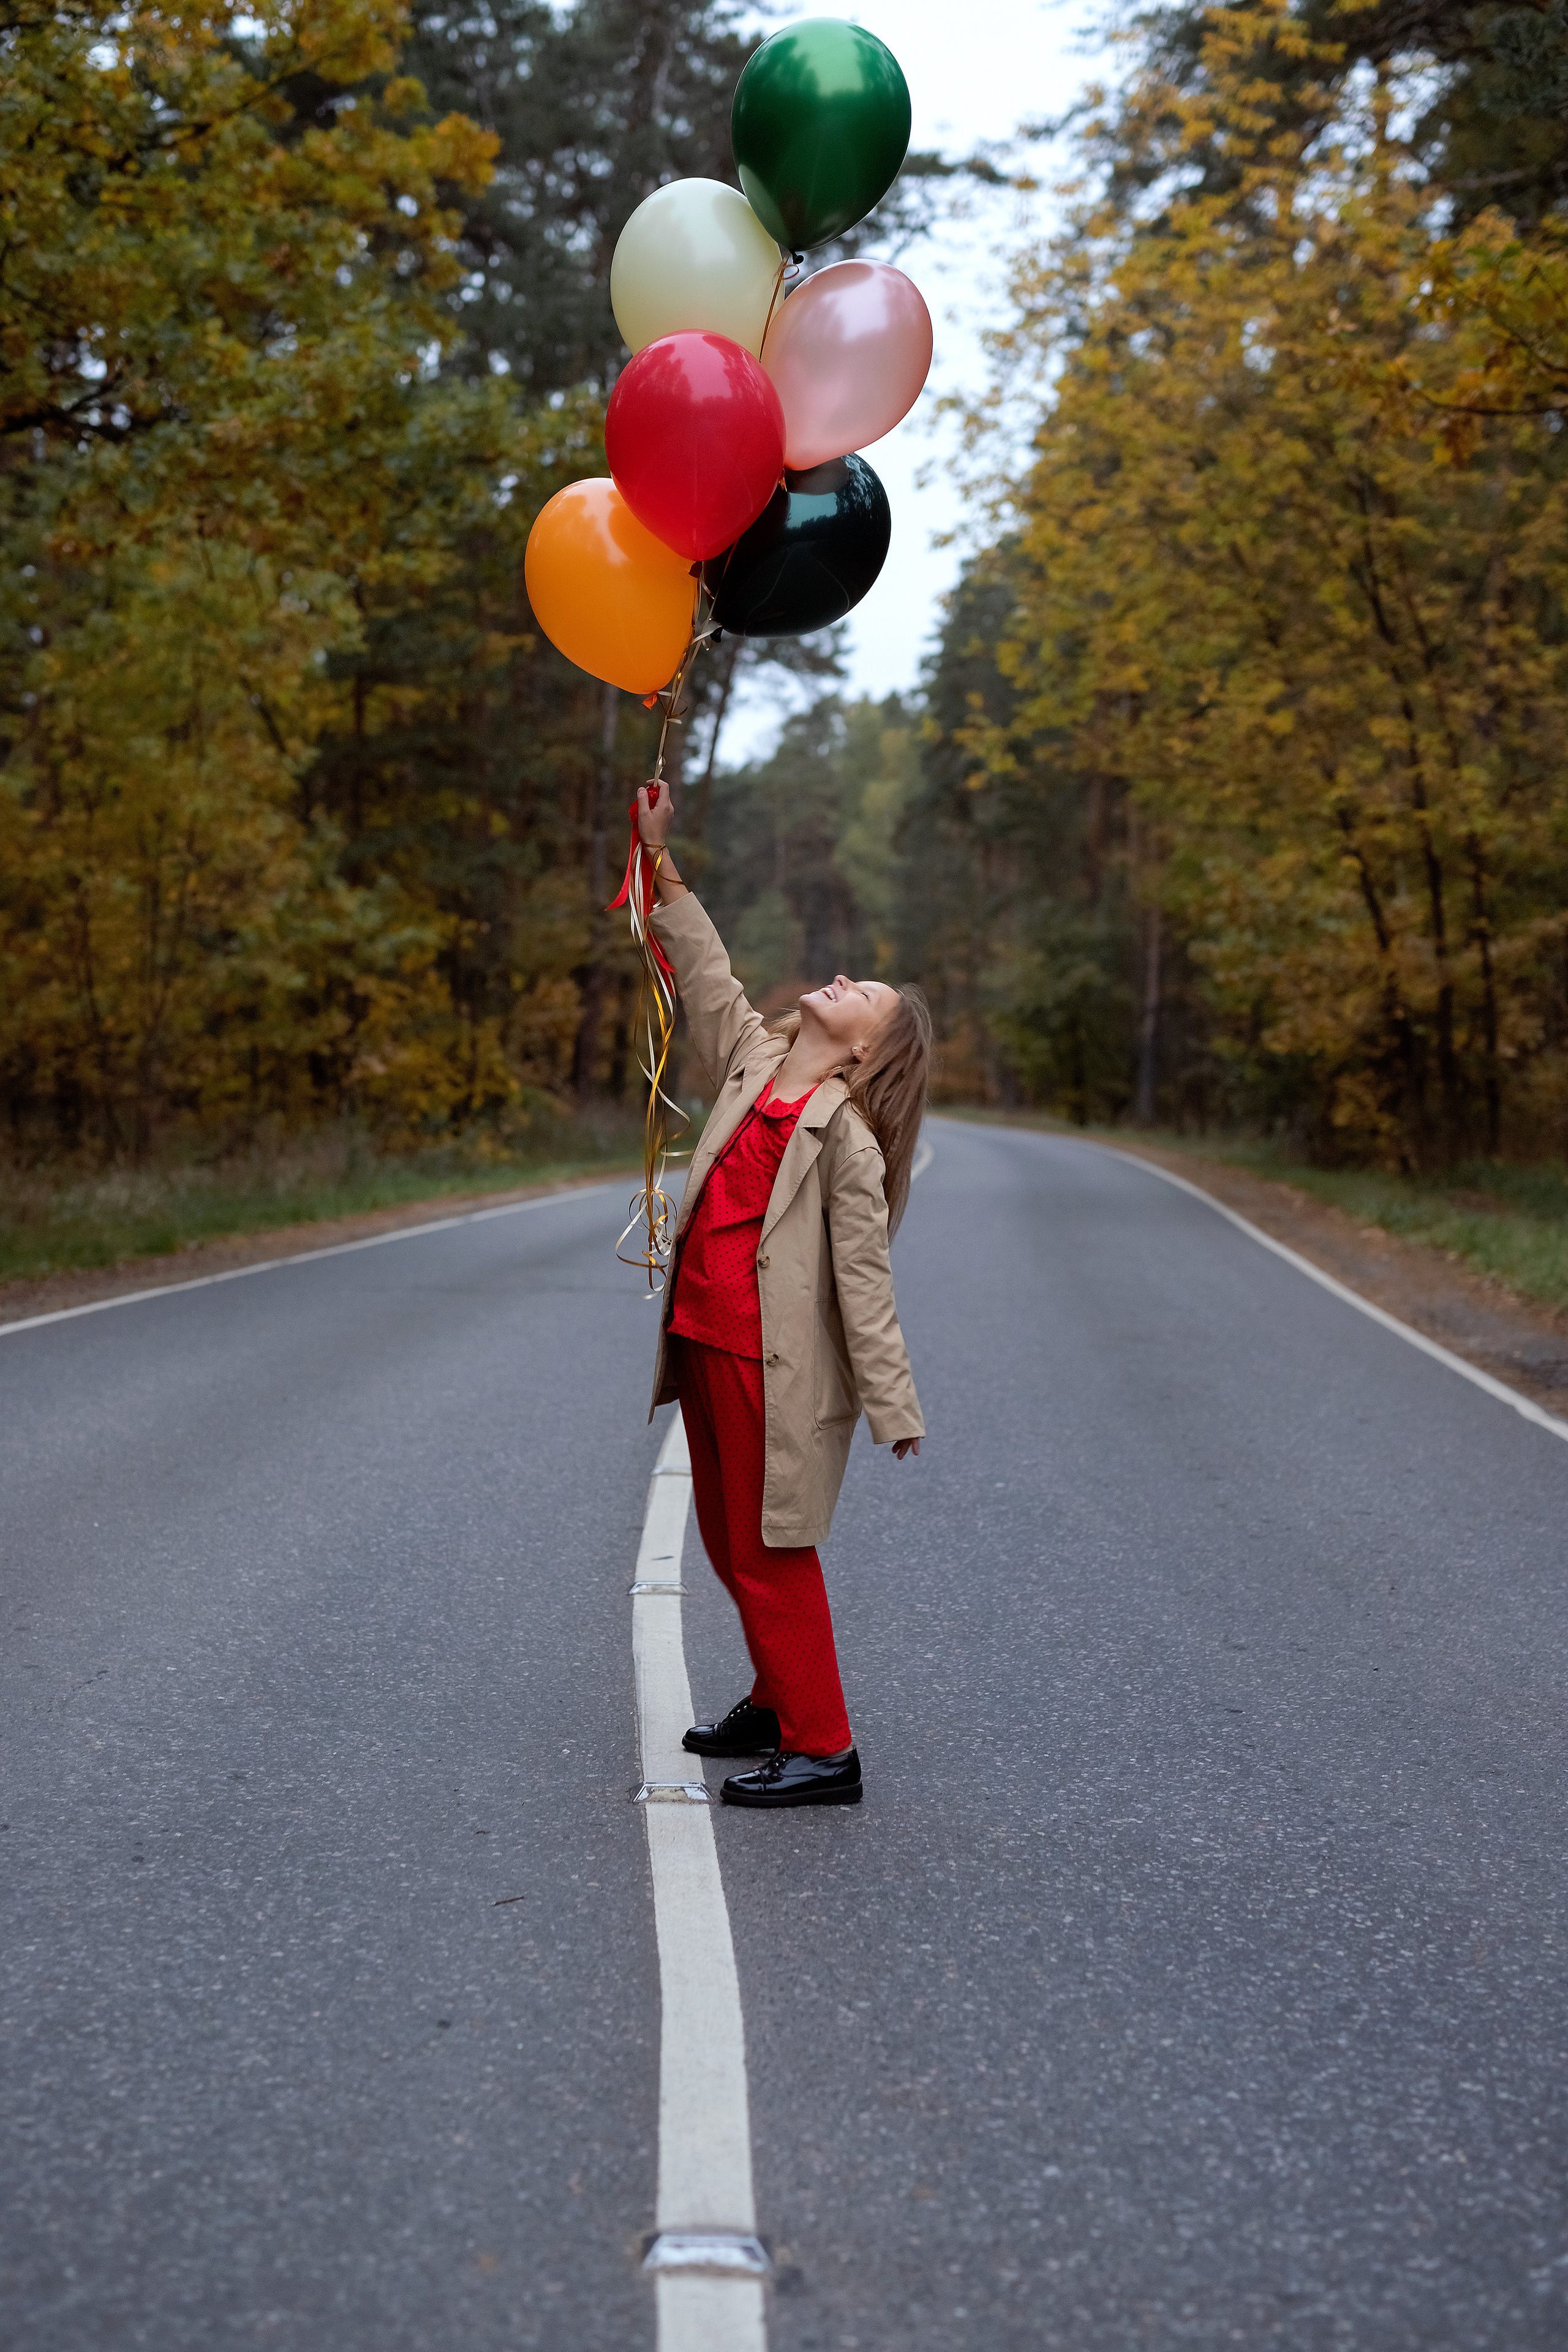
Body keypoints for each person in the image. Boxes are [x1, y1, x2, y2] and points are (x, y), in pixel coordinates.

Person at [636, 780, 927, 1809]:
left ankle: (825, 1746)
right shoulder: (756, 1067)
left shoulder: (843, 1141)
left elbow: (864, 1283)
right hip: (707, 1341)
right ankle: (774, 1696)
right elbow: (709, 979)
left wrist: (893, 1405)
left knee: (772, 1548)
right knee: (723, 1534)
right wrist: (660, 863)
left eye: (866, 996)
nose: (845, 980)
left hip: (775, 1368)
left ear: (864, 1053)